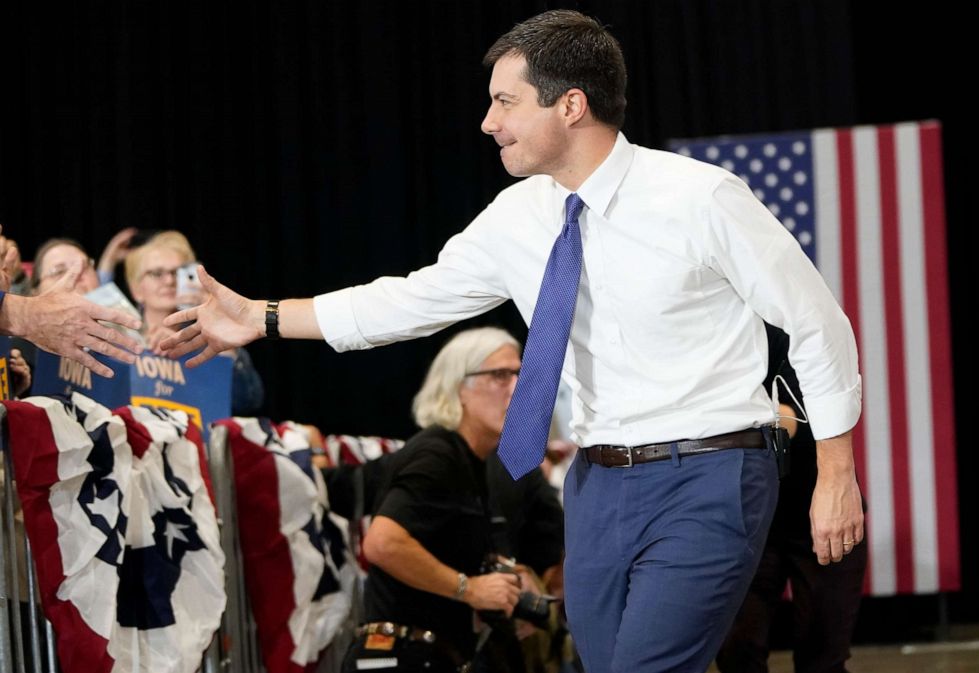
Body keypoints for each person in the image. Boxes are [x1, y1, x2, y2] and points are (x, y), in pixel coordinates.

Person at [160, 10, 863, 672]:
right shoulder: (517, 216)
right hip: (596, 486)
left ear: (570, 105)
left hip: (710, 473)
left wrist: (835, 470)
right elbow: (408, 299)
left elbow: (815, 321)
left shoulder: (701, 198)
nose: (488, 121)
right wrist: (264, 315)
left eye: (505, 101)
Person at [340, 327, 526, 673]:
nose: (517, 387)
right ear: (459, 388)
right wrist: (470, 588)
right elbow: (382, 544)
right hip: (401, 658)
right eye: (500, 375)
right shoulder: (438, 454)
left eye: (520, 373)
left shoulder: (469, 459)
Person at [716, 326, 868, 673]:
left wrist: (734, 415)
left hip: (821, 514)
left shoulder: (799, 330)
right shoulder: (711, 336)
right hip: (747, 521)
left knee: (824, 659)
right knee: (737, 653)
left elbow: (799, 421)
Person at [126, 231, 264, 415]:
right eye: (157, 273)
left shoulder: (208, 337)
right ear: (136, 289)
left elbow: (248, 401)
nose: (169, 281)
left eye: (177, 273)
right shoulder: (121, 337)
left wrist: (221, 338)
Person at [0, 228, 141, 377]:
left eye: (85, 267)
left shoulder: (130, 336)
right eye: (59, 271)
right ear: (36, 293)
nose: (77, 275)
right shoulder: (18, 356)